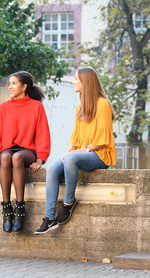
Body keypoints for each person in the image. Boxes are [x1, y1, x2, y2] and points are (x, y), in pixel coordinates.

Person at [34, 67, 116, 235]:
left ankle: (69, 202)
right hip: (81, 153)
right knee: (52, 169)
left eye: (76, 79)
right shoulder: (80, 107)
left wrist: (82, 150)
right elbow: (76, 137)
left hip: (100, 155)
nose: (73, 82)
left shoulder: (103, 104)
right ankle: (49, 219)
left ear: (85, 83)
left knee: (70, 159)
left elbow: (102, 140)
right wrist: (66, 153)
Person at [0, 71, 51, 233]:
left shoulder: (37, 106)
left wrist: (40, 160)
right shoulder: (4, 107)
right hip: (8, 149)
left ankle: (20, 208)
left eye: (14, 83)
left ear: (24, 87)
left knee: (16, 157)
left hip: (27, 151)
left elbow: (43, 135)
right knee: (7, 156)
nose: (10, 86)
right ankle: (7, 208)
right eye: (9, 83)